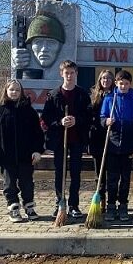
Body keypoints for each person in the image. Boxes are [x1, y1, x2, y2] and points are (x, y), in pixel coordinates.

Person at [0, 79, 44, 222]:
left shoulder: (29, 112)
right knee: (9, 185)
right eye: (11, 89)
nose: (14, 92)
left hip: (26, 157)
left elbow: (38, 134)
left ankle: (29, 206)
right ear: (6, 91)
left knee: (27, 184)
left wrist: (37, 150)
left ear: (21, 92)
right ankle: (13, 208)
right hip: (6, 158)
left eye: (17, 90)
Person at [41, 60, 91, 219]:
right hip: (59, 141)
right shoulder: (53, 95)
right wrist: (60, 122)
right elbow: (46, 118)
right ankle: (60, 203)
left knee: (75, 173)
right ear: (61, 74)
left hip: (77, 140)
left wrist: (77, 120)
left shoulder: (83, 95)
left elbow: (89, 117)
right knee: (60, 173)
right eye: (66, 73)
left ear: (76, 74)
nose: (69, 76)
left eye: (72, 73)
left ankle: (74, 205)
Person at [100, 70, 133, 222]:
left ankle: (123, 205)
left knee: (125, 178)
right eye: (121, 83)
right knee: (112, 178)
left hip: (127, 144)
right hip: (112, 142)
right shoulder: (109, 98)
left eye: (126, 83)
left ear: (130, 84)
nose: (123, 86)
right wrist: (106, 121)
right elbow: (102, 117)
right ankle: (111, 205)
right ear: (116, 83)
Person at [88, 69, 115, 213]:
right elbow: (89, 115)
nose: (106, 80)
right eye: (104, 78)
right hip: (97, 138)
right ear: (100, 79)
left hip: (111, 137)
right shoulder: (93, 95)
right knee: (99, 172)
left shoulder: (116, 95)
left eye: (109, 78)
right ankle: (100, 198)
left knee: (111, 171)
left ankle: (112, 201)